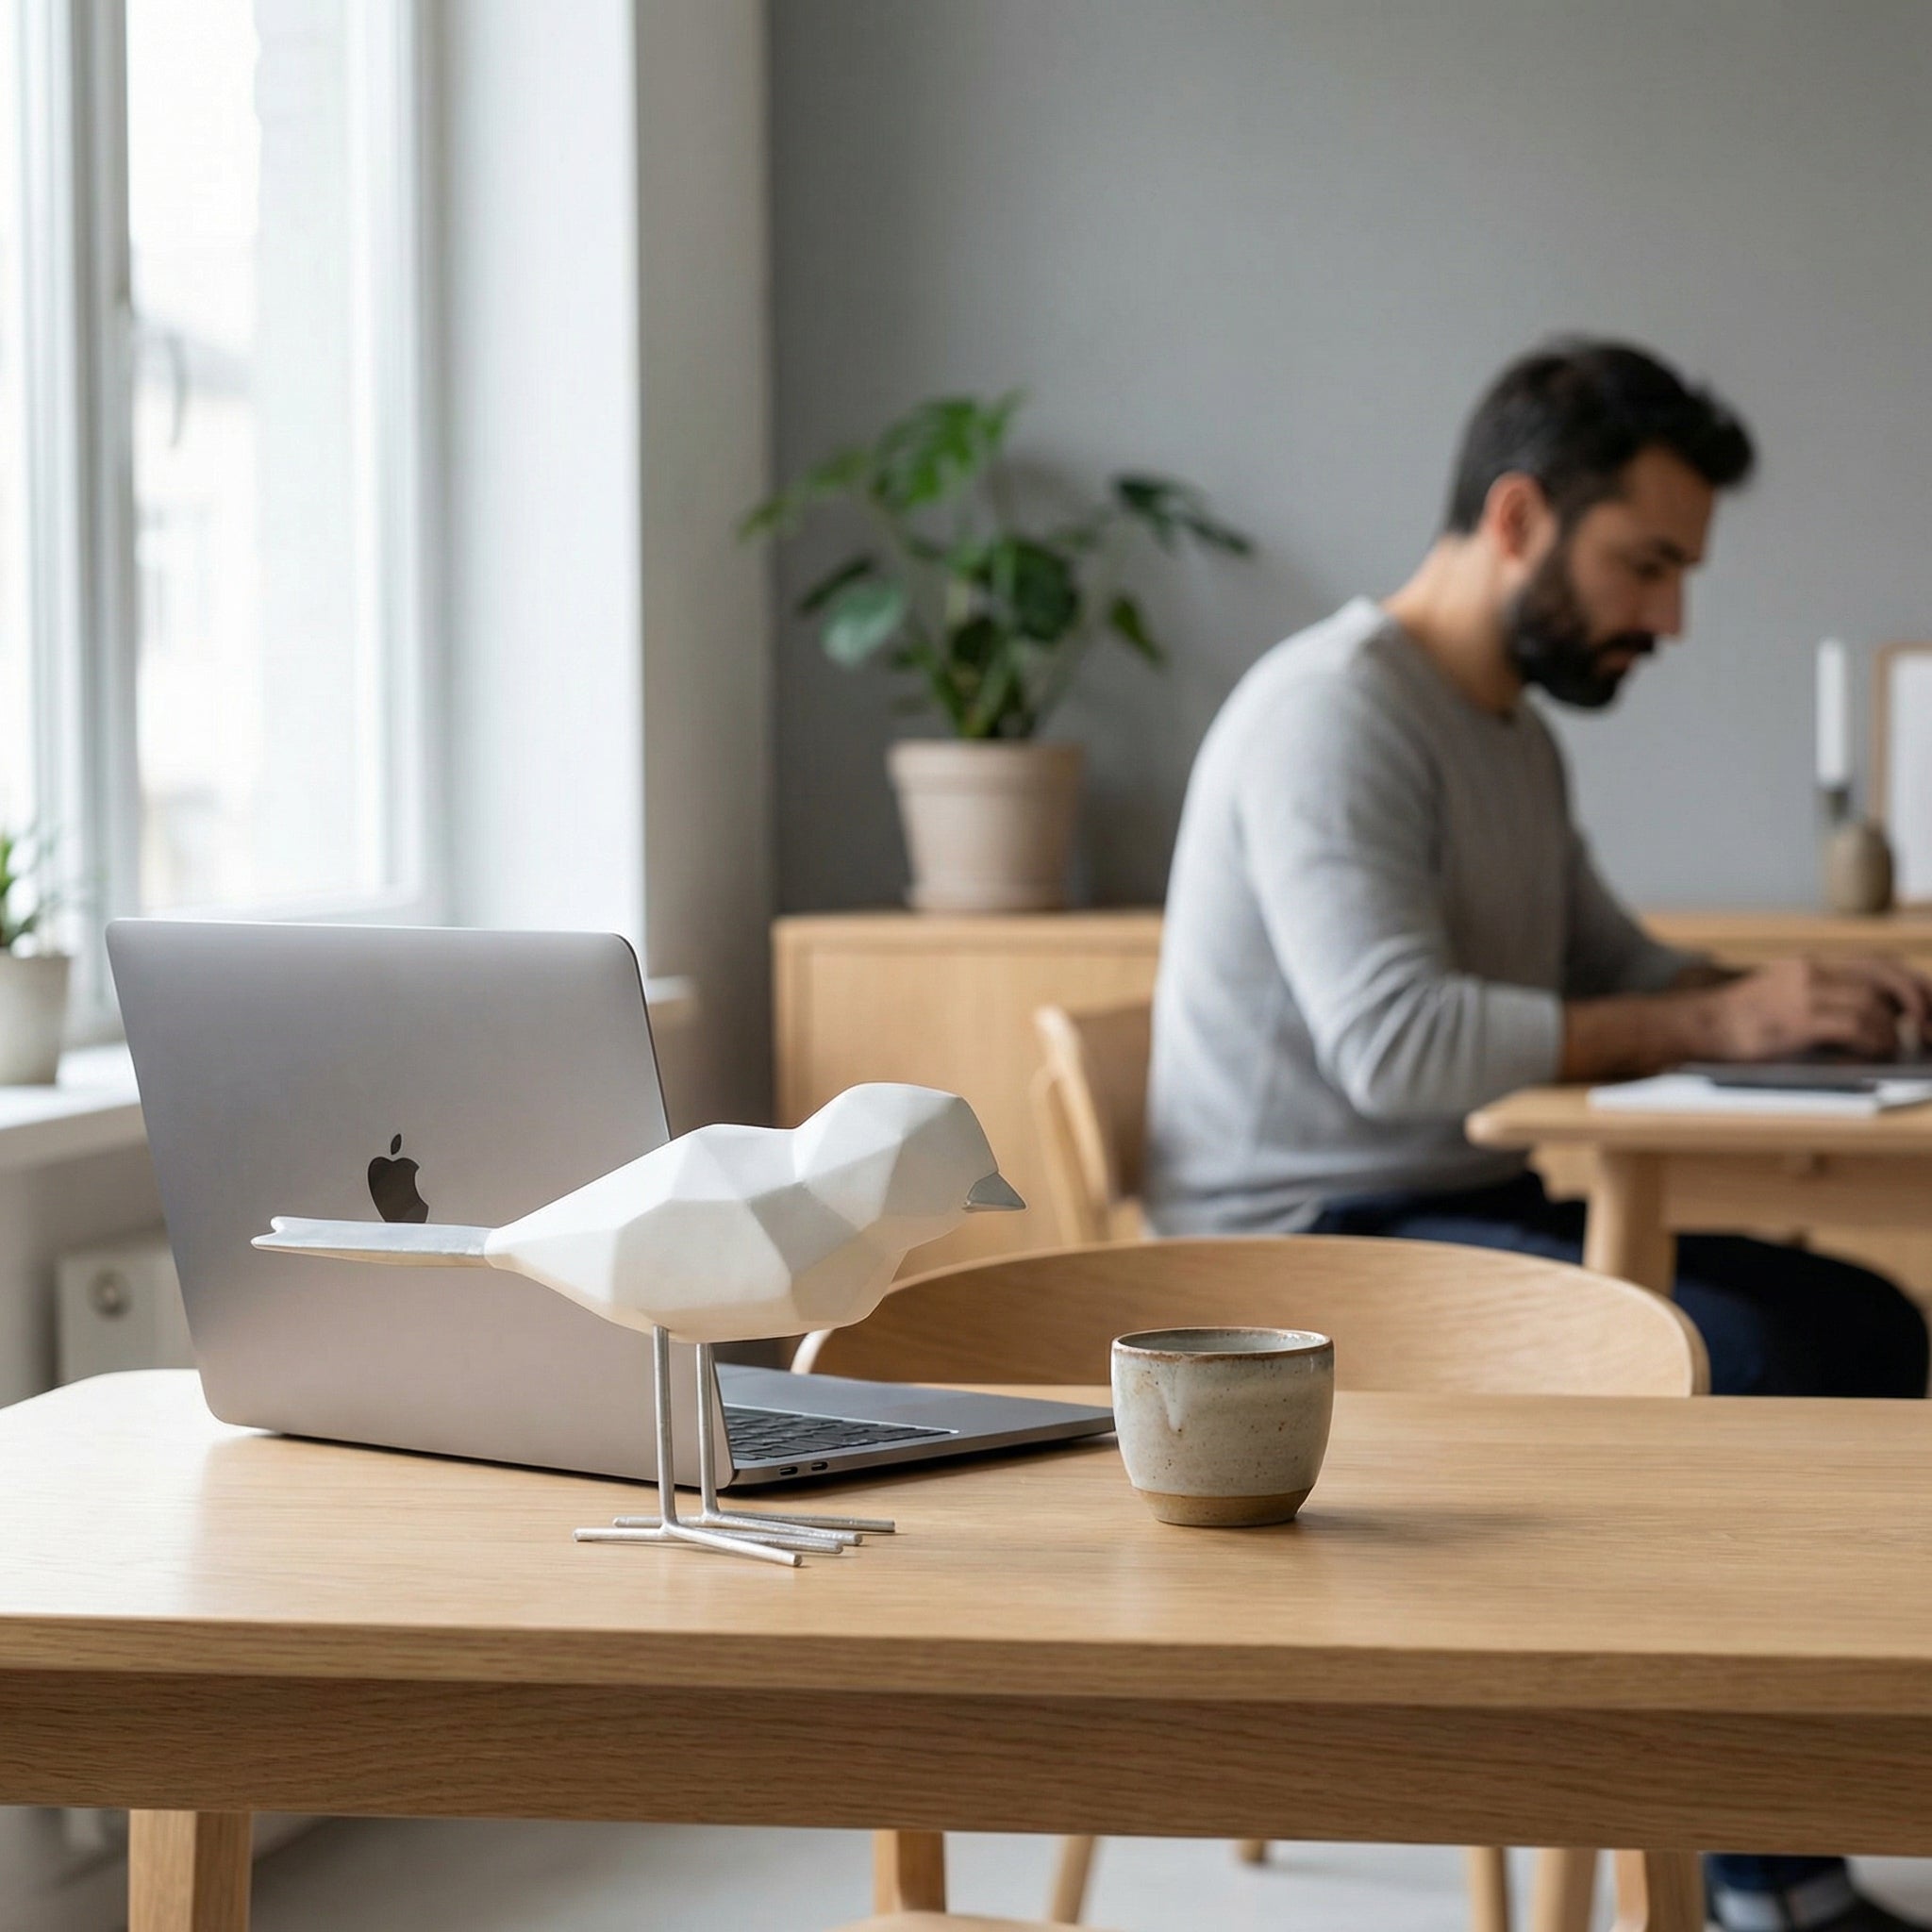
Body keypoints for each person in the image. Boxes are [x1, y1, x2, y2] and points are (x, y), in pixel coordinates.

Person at [1145, 338, 1932, 1932]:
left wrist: (1792, 996)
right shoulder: (1334, 715)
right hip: (1303, 1258)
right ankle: (1759, 1882)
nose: (1670, 618)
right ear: (1518, 517)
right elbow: (1396, 1045)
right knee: (1753, 1360)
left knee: (1859, 1319)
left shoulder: (1507, 731)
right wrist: (1720, 1027)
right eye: (1648, 565)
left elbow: (1614, 973)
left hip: (1457, 1204)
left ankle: (1765, 1837)